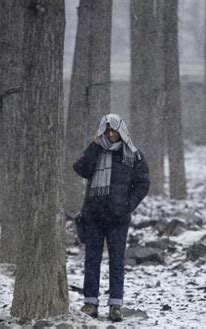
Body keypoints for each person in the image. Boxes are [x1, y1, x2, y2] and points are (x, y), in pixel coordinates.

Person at [73, 113, 150, 322]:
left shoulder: (133, 154)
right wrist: (94, 146)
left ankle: (115, 305)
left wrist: (128, 206)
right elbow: (80, 169)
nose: (110, 134)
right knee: (92, 261)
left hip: (118, 218)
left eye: (114, 130)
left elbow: (143, 183)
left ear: (121, 131)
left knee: (116, 262)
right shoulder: (96, 151)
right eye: (107, 130)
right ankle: (90, 303)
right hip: (94, 217)